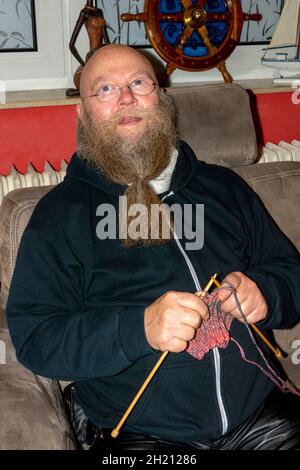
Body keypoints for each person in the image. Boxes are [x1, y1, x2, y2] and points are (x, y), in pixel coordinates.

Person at [6, 44, 300, 451]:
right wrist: (137, 329)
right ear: (83, 112)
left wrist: (266, 291)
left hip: (258, 413)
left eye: (139, 83)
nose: (126, 97)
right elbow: (37, 338)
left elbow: (290, 272)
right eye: (105, 89)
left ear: (161, 97)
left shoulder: (225, 189)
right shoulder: (60, 217)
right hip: (140, 432)